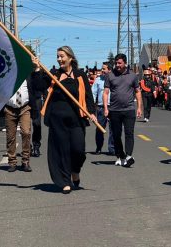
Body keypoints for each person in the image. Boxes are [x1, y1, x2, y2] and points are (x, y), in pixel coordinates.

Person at [33, 46, 96, 194]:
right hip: (57, 120)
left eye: (62, 56)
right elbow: (38, 86)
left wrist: (92, 112)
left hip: (77, 119)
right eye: (58, 56)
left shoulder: (80, 75)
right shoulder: (54, 74)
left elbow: (88, 95)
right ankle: (65, 181)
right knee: (62, 151)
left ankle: (75, 171)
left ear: (70, 58)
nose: (59, 59)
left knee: (78, 150)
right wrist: (37, 69)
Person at [103, 54, 143, 168]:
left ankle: (129, 156)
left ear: (125, 63)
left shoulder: (133, 76)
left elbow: (138, 92)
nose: (117, 65)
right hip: (114, 110)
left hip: (129, 109)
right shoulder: (110, 76)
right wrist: (106, 108)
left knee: (129, 133)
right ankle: (120, 156)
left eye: (119, 63)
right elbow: (105, 93)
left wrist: (139, 107)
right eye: (116, 63)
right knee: (116, 135)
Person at [3, 78, 38, 172]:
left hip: (25, 108)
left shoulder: (27, 76)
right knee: (10, 137)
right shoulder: (7, 76)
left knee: (26, 132)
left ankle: (25, 161)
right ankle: (12, 162)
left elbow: (34, 90)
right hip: (9, 109)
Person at [91, 62, 114, 155]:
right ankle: (99, 147)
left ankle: (112, 149)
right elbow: (93, 93)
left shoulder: (115, 79)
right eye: (102, 69)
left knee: (113, 129)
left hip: (113, 107)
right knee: (99, 129)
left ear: (109, 70)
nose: (102, 71)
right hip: (100, 107)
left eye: (104, 69)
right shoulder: (98, 80)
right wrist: (91, 107)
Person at [30, 69, 48, 157]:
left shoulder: (40, 73)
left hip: (36, 99)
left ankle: (36, 146)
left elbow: (43, 86)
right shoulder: (24, 70)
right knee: (24, 127)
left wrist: (37, 71)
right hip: (25, 100)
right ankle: (27, 146)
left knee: (36, 124)